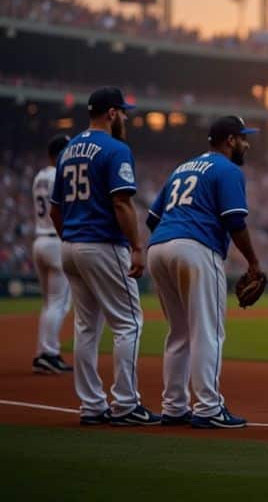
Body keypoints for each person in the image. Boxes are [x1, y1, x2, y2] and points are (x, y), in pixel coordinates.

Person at [49, 87, 160, 426]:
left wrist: (69, 236)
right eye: (123, 112)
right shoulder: (115, 148)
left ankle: (92, 405)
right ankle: (126, 404)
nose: (125, 117)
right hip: (102, 244)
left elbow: (56, 210)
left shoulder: (68, 150)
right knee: (128, 322)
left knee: (86, 327)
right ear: (111, 113)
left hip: (70, 244)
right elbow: (122, 202)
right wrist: (138, 247)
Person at [147, 116, 263, 429]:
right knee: (207, 331)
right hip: (195, 248)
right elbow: (235, 221)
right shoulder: (227, 170)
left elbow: (152, 217)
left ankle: (173, 406)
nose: (247, 143)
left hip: (158, 248)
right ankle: (209, 408)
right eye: (243, 137)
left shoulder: (182, 168)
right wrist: (253, 262)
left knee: (179, 332)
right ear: (229, 140)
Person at [32, 134, 72, 374]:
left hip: (39, 240)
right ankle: (48, 353)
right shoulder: (61, 174)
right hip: (56, 241)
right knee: (59, 303)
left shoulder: (39, 176)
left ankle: (43, 352)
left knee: (49, 303)